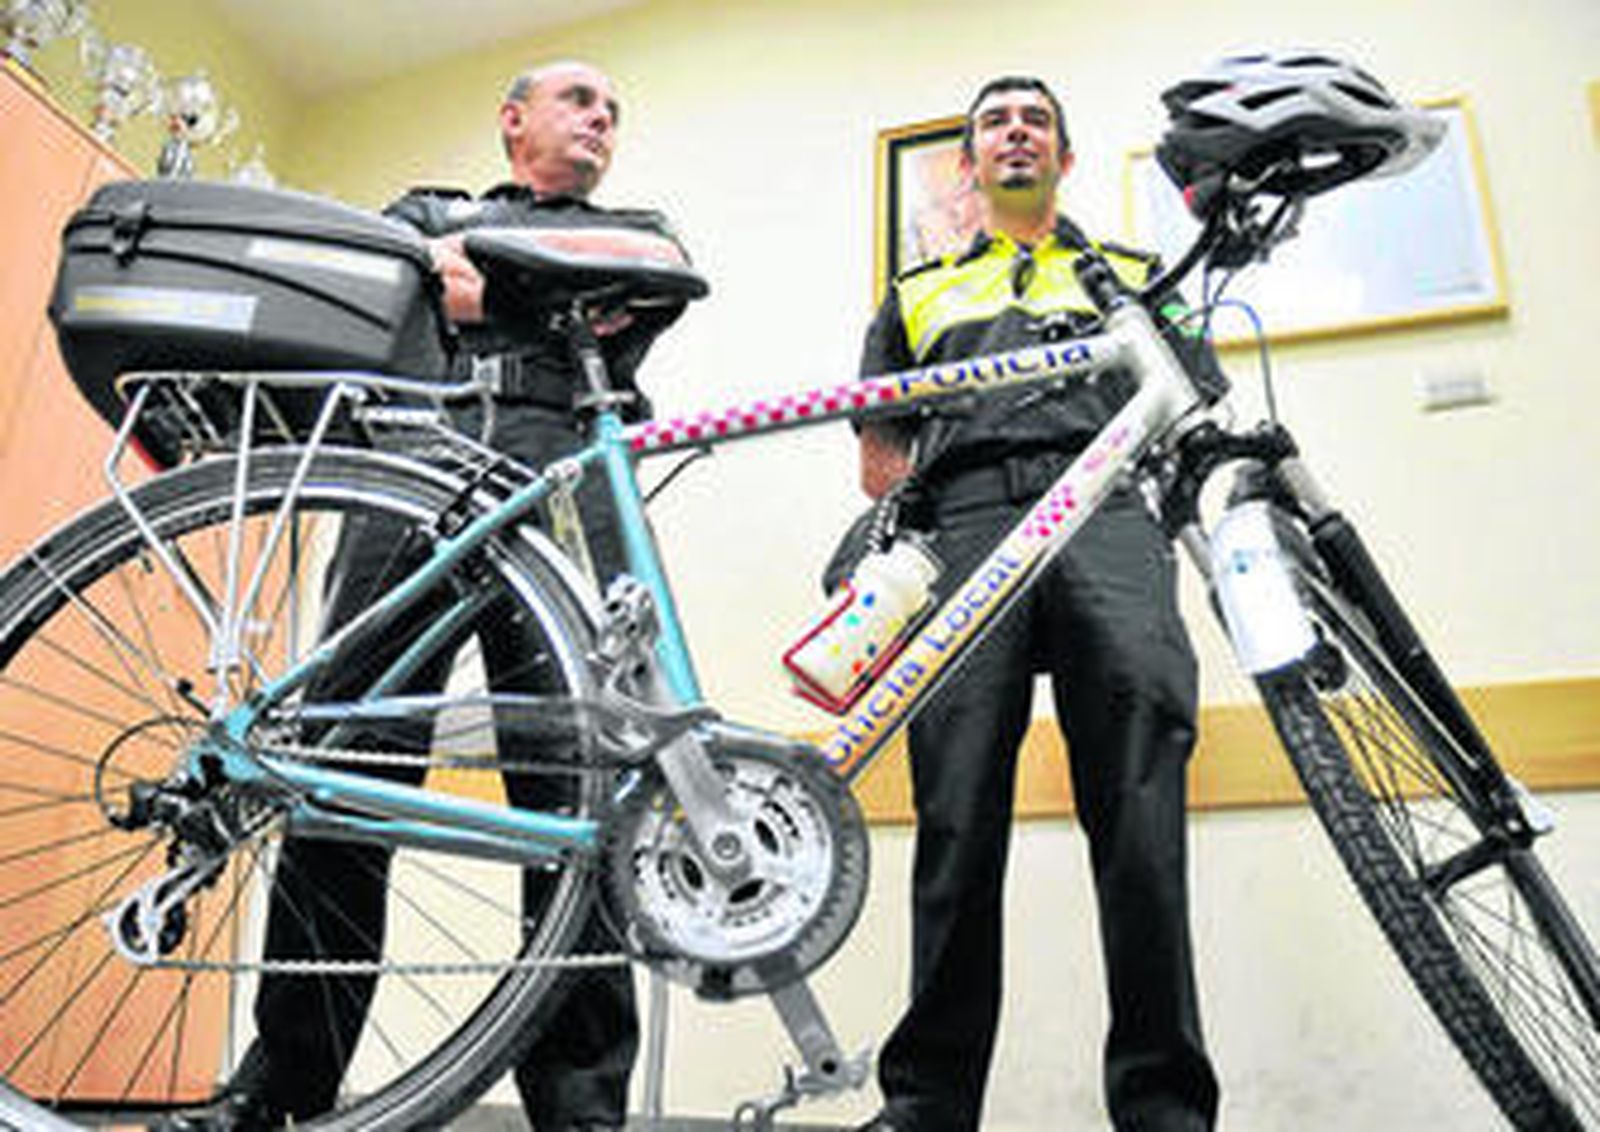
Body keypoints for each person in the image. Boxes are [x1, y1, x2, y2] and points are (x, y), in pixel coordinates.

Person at [160, 60, 690, 1132]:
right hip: (411, 462)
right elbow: (385, 277)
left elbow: (657, 271)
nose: (601, 120)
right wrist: (540, 294)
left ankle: (581, 1108)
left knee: (574, 795)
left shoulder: (633, 223)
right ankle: (287, 1083)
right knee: (341, 770)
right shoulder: (426, 208)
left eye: (613, 112)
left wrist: (486, 283)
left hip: (557, 475)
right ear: (513, 121)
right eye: (578, 101)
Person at [850, 76, 1221, 1132]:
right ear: (966, 164)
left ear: (1064, 157)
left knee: (1140, 809)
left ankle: (1163, 1108)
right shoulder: (916, 292)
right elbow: (880, 461)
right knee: (956, 813)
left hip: (1107, 515)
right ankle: (925, 1104)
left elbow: (1192, 406)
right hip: (967, 525)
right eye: (993, 123)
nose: (1014, 132)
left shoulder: (1143, 277)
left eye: (1036, 121)